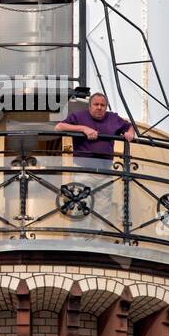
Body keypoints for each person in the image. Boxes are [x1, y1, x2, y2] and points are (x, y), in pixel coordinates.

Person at [54, 93, 135, 233]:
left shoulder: (113, 118)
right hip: (84, 170)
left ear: (106, 107)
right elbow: (59, 127)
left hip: (105, 171)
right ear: (90, 106)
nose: (99, 108)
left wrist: (129, 133)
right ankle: (78, 241)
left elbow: (129, 126)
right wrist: (83, 129)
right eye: (96, 105)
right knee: (80, 207)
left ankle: (97, 240)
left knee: (103, 208)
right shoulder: (79, 116)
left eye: (102, 105)